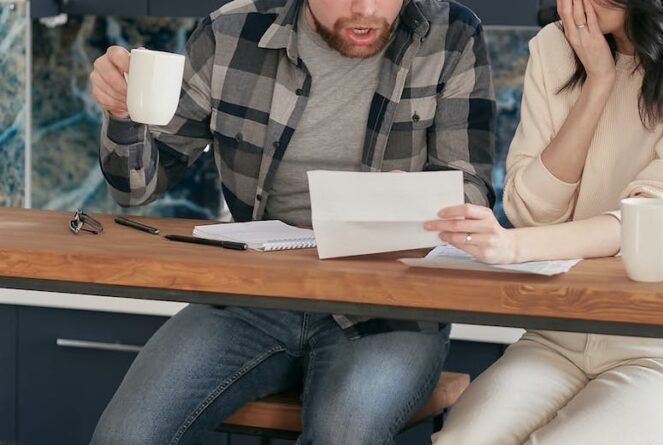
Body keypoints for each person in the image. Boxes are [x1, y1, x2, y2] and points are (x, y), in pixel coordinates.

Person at [88, 0, 495, 443]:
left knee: (343, 436)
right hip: (254, 298)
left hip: (392, 307)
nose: (366, 8)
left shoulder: (452, 33)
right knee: (125, 436)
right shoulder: (230, 33)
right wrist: (123, 116)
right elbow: (136, 188)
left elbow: (471, 189)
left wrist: (410, 202)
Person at [425, 0, 663, 443]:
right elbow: (532, 210)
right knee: (457, 441)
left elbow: (652, 218)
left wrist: (512, 246)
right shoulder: (555, 47)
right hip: (559, 334)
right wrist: (598, 81)